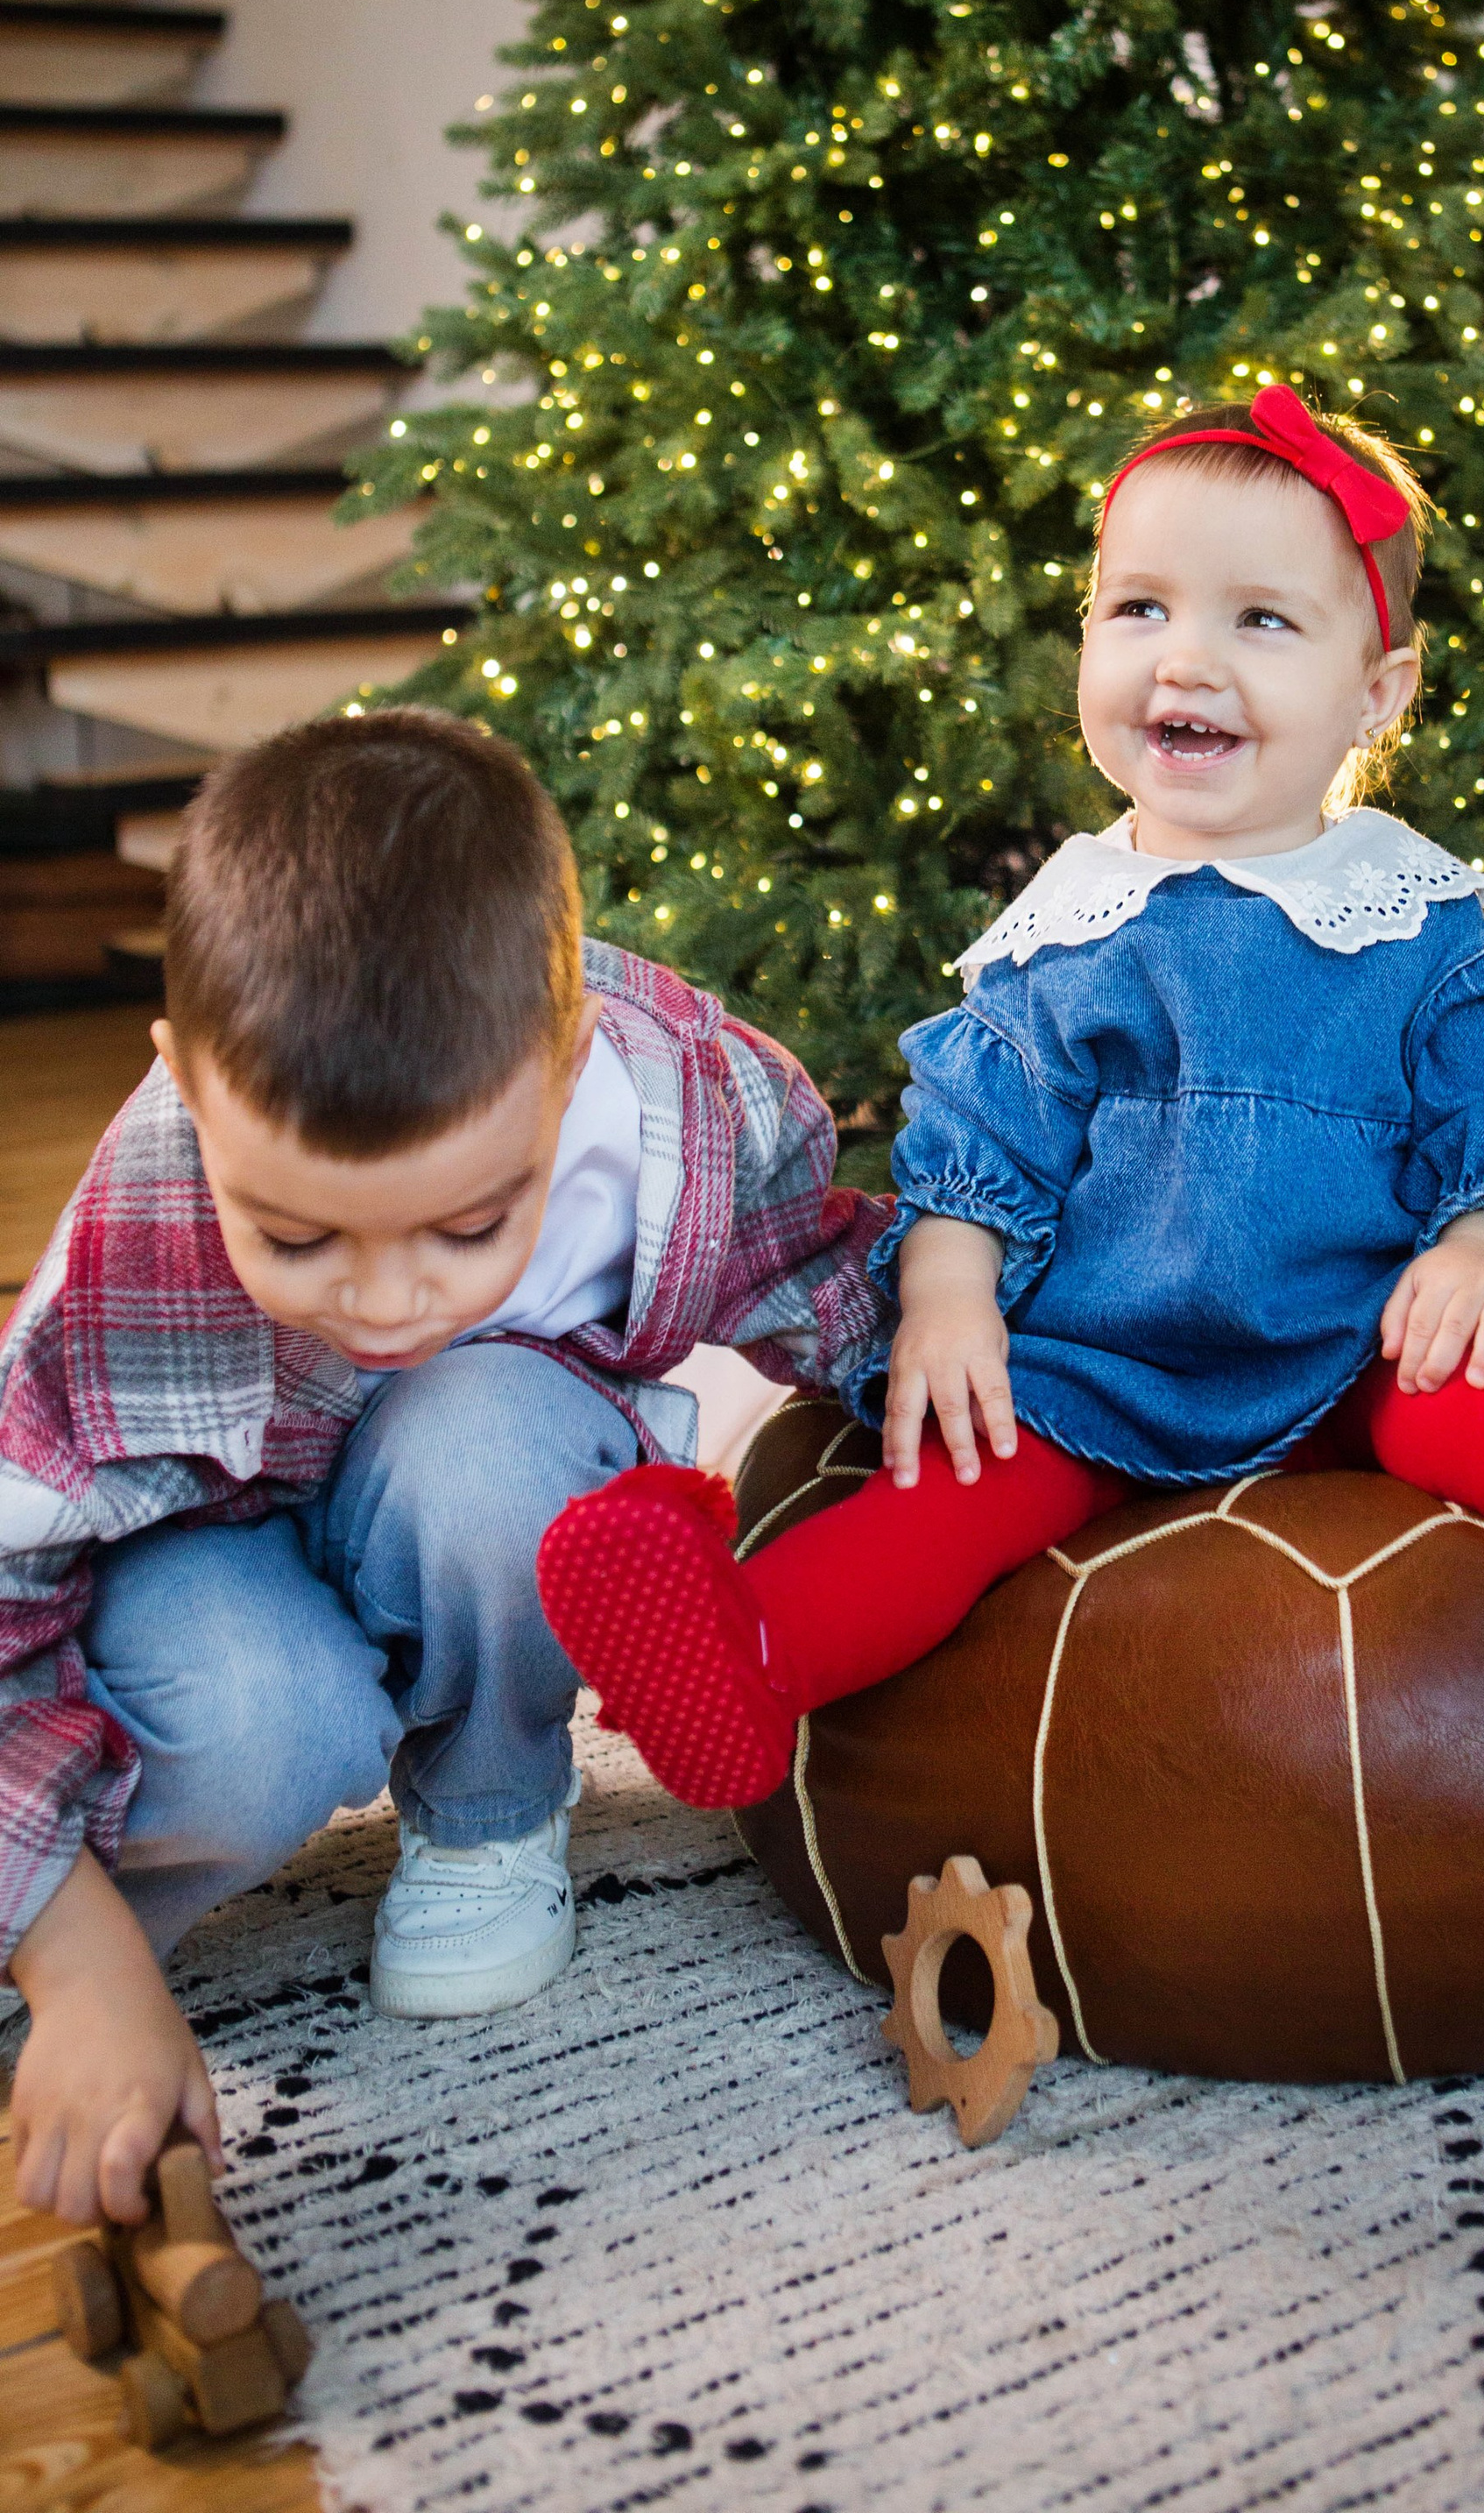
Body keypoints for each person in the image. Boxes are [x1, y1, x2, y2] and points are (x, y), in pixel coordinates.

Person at [540, 388, 1484, 1816]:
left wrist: (1478, 1251)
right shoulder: (1066, 935)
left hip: (1360, 1341)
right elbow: (976, 1161)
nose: (1188, 662)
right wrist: (952, 1302)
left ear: (1377, 693)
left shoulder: (1404, 921)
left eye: (1261, 622)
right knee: (951, 1489)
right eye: (1139, 610)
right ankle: (748, 1656)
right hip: (1104, 1370)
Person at [1, 710, 887, 2227]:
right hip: (210, 1565)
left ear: (567, 1068)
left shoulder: (692, 1109)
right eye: (295, 1235)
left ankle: (489, 1812)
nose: (389, 1299)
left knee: (490, 1436)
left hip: (482, 1481)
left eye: (468, 1229)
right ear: (186, 1085)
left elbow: (850, 1305)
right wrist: (80, 1971)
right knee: (272, 1720)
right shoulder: (142, 1221)